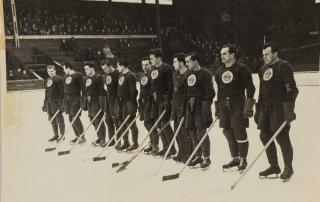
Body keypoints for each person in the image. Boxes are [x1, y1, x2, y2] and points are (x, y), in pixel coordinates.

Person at [255, 42, 298, 181]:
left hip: (279, 108)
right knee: (264, 136)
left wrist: (289, 110)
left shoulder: (283, 66)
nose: (264, 57)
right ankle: (274, 166)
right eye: (263, 55)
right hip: (266, 108)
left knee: (281, 136)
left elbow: (291, 89)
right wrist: (257, 110)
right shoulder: (262, 70)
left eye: (267, 54)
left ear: (275, 53)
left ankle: (288, 168)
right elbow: (261, 92)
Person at [215, 44, 256, 172]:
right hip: (223, 104)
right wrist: (217, 108)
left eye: (225, 54)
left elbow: (251, 88)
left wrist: (248, 105)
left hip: (237, 102)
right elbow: (219, 90)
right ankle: (235, 157)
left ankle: (243, 158)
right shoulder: (219, 71)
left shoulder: (242, 68)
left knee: (239, 130)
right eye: (221, 54)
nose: (222, 56)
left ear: (232, 55)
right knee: (227, 131)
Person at [185, 52, 215, 168]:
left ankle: (206, 158)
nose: (186, 64)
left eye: (188, 61)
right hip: (189, 105)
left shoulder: (205, 74)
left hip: (200, 106)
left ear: (195, 61)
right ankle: (198, 155)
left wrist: (205, 106)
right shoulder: (188, 74)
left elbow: (211, 93)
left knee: (201, 131)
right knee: (191, 129)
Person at [149, 48, 176, 158]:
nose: (150, 60)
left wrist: (167, 100)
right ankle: (165, 147)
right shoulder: (153, 69)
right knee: (159, 124)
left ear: (158, 58)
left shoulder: (167, 68)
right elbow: (153, 86)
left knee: (165, 123)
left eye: (152, 58)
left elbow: (170, 86)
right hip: (156, 100)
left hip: (164, 100)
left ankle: (171, 148)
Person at [171, 53, 193, 163]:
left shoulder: (189, 74)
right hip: (176, 106)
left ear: (181, 63)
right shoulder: (175, 74)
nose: (173, 64)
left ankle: (188, 153)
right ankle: (181, 151)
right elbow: (174, 92)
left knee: (185, 132)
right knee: (177, 131)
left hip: (185, 107)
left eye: (174, 62)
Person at [116, 60, 139, 152]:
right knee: (121, 122)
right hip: (121, 103)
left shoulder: (131, 75)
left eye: (118, 66)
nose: (117, 68)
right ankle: (126, 142)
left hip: (129, 103)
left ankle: (135, 143)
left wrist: (131, 105)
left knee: (131, 123)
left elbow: (133, 92)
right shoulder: (120, 75)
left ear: (123, 66)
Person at [138, 57, 159, 155]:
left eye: (146, 64)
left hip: (151, 102)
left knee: (150, 124)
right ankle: (152, 142)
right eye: (143, 65)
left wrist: (151, 102)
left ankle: (155, 145)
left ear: (150, 64)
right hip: (143, 102)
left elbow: (154, 89)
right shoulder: (142, 75)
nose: (144, 67)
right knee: (146, 123)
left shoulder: (153, 74)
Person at [83, 62, 106, 146]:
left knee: (98, 120)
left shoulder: (98, 77)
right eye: (85, 69)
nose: (85, 71)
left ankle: (103, 139)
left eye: (87, 69)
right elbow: (85, 91)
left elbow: (102, 92)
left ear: (92, 68)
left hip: (97, 102)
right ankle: (99, 137)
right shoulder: (86, 78)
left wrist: (102, 104)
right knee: (92, 120)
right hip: (90, 103)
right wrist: (84, 102)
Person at [62, 62, 85, 144]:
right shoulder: (65, 76)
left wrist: (83, 100)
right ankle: (77, 136)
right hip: (68, 99)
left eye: (64, 68)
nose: (64, 70)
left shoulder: (78, 75)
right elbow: (65, 90)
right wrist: (64, 102)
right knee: (70, 119)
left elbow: (83, 88)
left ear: (68, 68)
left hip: (76, 98)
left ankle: (82, 137)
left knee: (75, 118)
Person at [42, 65, 65, 142]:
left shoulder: (59, 79)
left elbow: (62, 93)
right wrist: (44, 104)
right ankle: (56, 135)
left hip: (56, 102)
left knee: (59, 119)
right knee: (51, 119)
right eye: (49, 71)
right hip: (49, 103)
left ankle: (62, 135)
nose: (50, 73)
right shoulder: (47, 80)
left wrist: (61, 104)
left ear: (55, 71)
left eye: (52, 71)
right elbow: (46, 92)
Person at [101, 60, 120, 147]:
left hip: (115, 100)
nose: (104, 71)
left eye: (105, 68)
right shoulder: (105, 75)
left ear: (110, 66)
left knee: (117, 121)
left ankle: (119, 141)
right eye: (103, 69)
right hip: (108, 100)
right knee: (108, 120)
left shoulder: (117, 73)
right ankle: (111, 140)